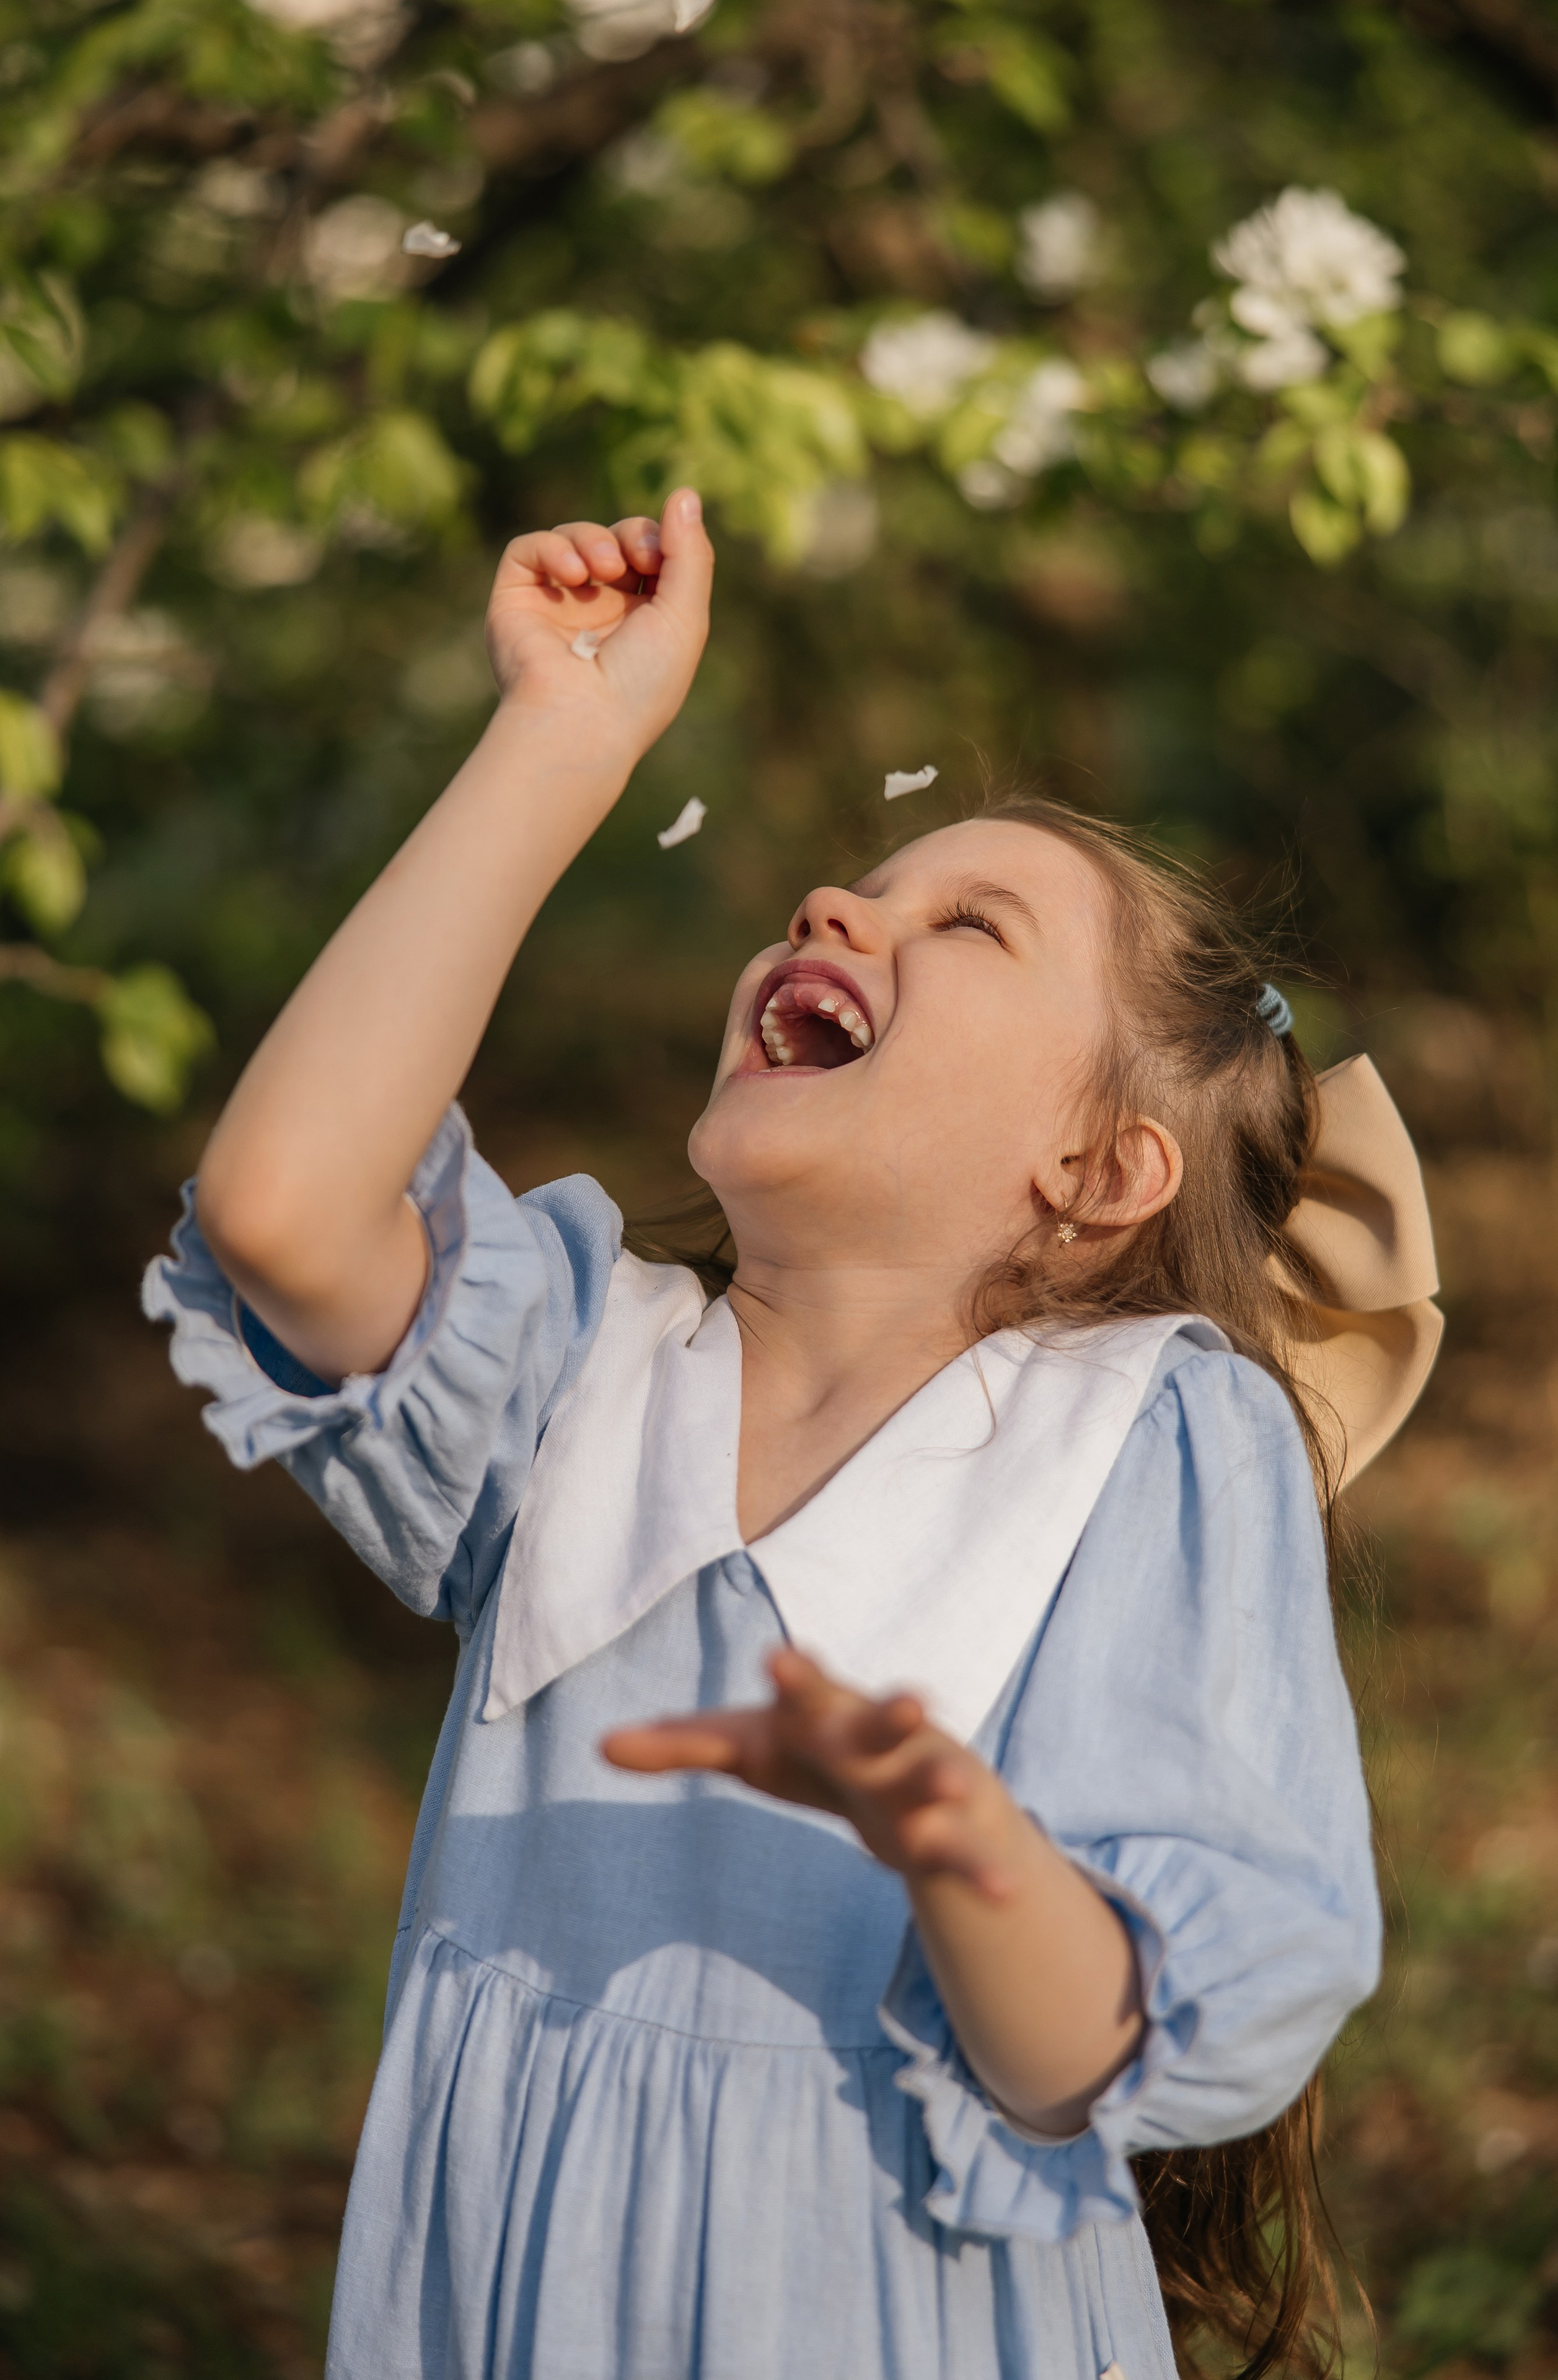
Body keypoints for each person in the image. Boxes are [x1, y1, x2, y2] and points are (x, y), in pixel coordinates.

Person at [145, 491, 1440, 2380]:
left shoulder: (1147, 1442)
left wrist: (953, 1831)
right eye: (850, 890)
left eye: (964, 922)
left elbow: (1089, 2049)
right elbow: (278, 1208)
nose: (834, 908)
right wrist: (562, 740)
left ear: (1097, 1170)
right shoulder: (583, 1365)